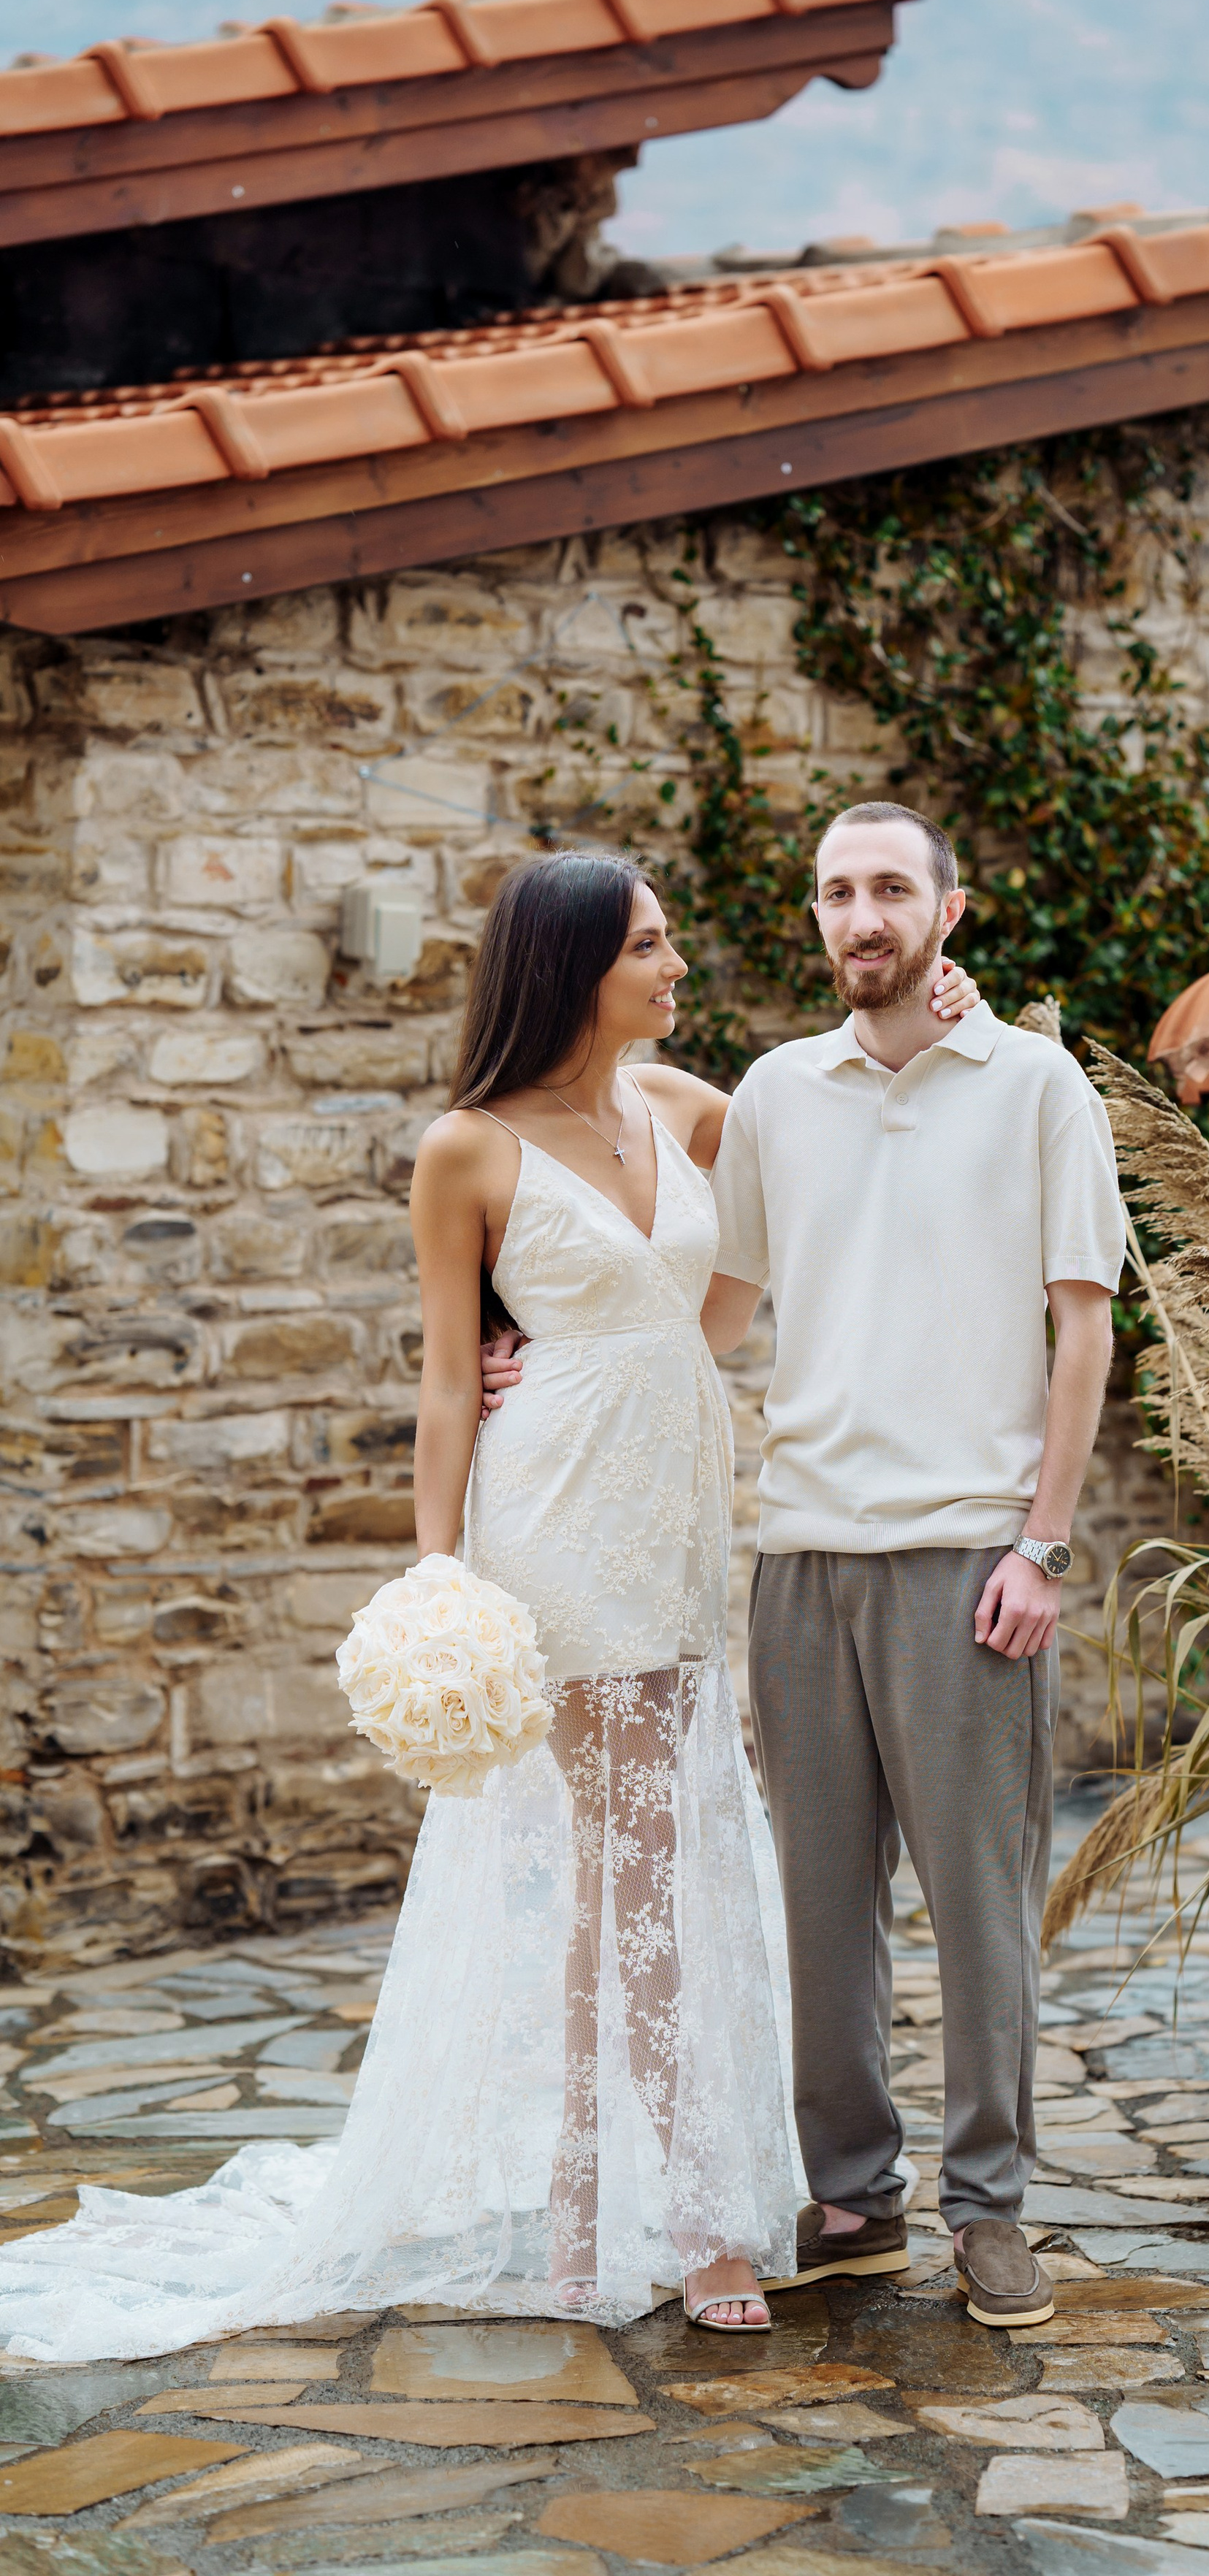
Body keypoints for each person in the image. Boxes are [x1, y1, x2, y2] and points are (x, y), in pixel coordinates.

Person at [0, 849, 980, 2358]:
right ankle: (701, 2214)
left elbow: (819, 1139)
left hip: (674, 1525)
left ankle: (599, 2197)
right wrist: (439, 1572)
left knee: (662, 1855)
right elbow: (451, 1377)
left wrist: (929, 1015)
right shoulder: (466, 1148)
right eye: (649, 944)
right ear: (574, 963)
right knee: (634, 1863)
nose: (674, 964)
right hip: (559, 1524)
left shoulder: (687, 1107)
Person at [495, 806, 1124, 2330]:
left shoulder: (1038, 1085)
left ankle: (989, 2212)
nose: (863, 917)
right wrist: (565, 1357)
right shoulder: (776, 1093)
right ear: (817, 919)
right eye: (838, 893)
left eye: (891, 889)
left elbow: (1085, 1325)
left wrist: (1042, 1543)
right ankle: (851, 2195)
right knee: (819, 1905)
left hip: (968, 1555)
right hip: (796, 1556)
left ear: (947, 909)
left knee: (977, 1904)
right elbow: (705, 1287)